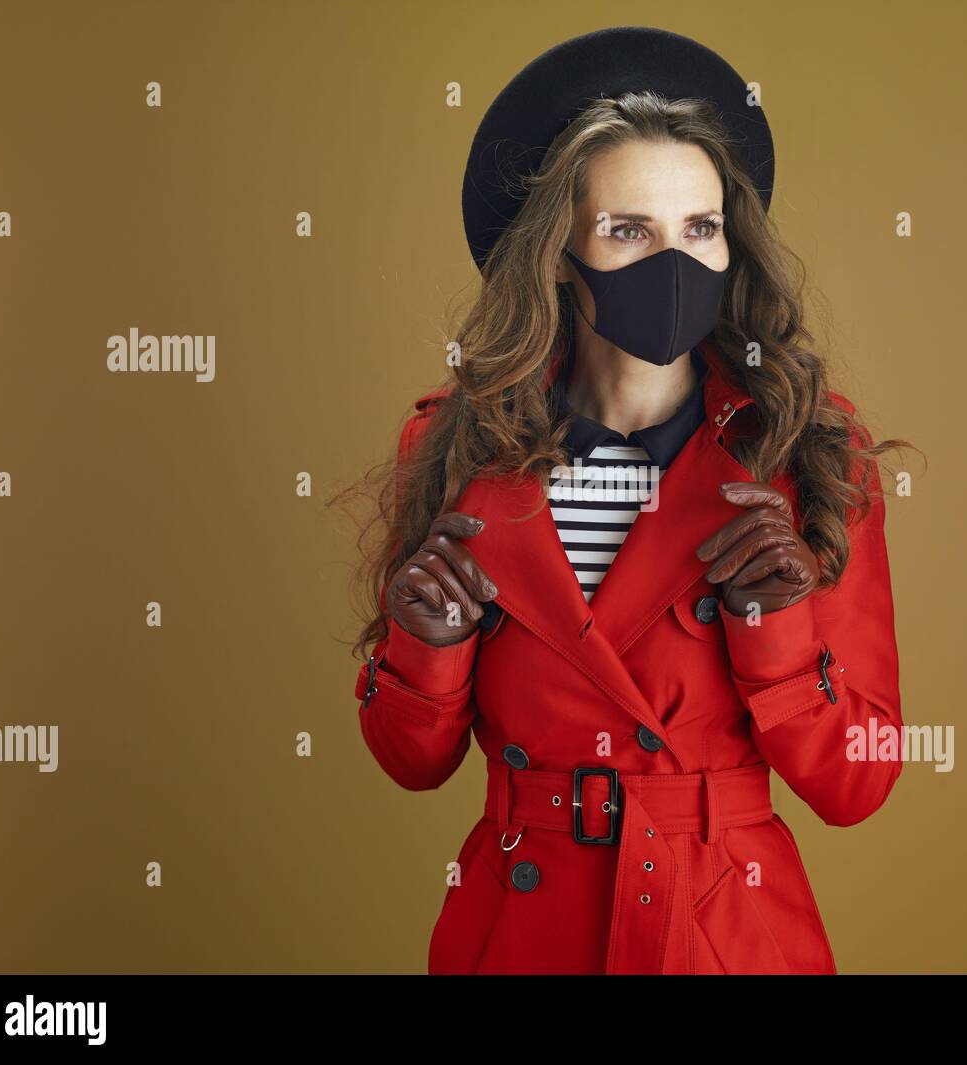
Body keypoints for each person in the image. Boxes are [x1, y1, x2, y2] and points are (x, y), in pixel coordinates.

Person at [340, 26, 915, 975]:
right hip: (520, 924)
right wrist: (427, 650)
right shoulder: (452, 442)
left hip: (722, 923)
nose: (675, 262)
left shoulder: (806, 449)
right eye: (628, 231)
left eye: (700, 228)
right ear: (557, 251)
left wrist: (774, 632)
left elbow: (860, 780)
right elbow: (412, 762)